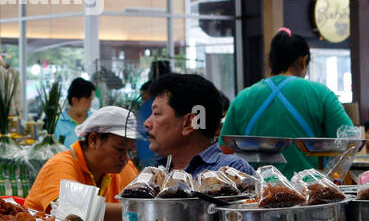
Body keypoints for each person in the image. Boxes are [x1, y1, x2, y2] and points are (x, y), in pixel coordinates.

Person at [218, 29, 353, 175]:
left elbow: (225, 151)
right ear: (303, 62)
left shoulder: (243, 98)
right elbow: (350, 141)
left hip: (258, 193)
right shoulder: (321, 94)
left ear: (270, 62)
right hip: (311, 192)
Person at [27, 106, 139, 221]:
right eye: (120, 148)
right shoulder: (60, 165)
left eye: (130, 151)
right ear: (93, 140)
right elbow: (70, 209)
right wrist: (139, 210)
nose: (125, 158)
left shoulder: (123, 169)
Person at [143, 73, 252, 177]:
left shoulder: (232, 172)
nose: (147, 123)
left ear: (189, 123)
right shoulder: (155, 172)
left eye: (157, 114)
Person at [53, 77, 95, 146]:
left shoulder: (94, 120)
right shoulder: (57, 124)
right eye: (87, 101)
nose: (90, 105)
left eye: (91, 101)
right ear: (74, 100)